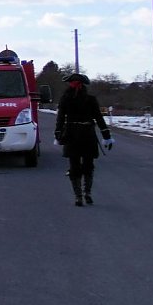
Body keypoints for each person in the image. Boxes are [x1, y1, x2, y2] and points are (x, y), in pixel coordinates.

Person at [55, 73, 114, 206]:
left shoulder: (65, 99)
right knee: (88, 165)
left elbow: (60, 118)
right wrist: (106, 136)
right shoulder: (89, 99)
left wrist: (58, 133)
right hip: (87, 134)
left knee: (75, 166)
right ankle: (87, 193)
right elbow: (99, 118)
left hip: (72, 134)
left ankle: (79, 196)